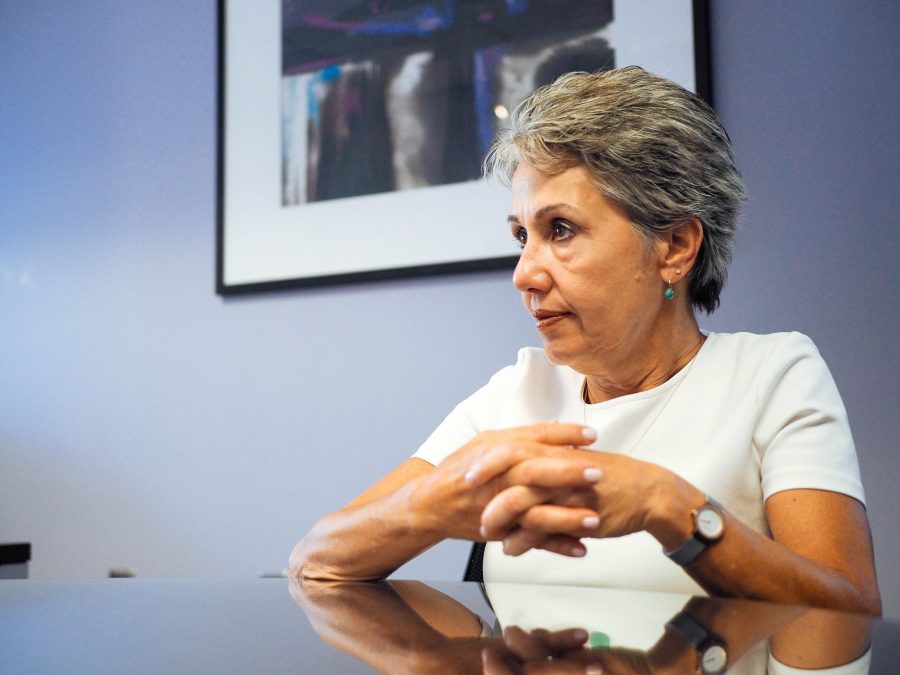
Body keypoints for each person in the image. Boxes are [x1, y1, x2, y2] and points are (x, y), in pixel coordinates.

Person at [289, 67, 881, 615]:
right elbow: (314, 560)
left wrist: (668, 506)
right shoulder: (516, 393)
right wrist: (430, 506)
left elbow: (850, 608)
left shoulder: (773, 375)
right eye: (522, 236)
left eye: (561, 230)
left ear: (675, 247)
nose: (524, 273)